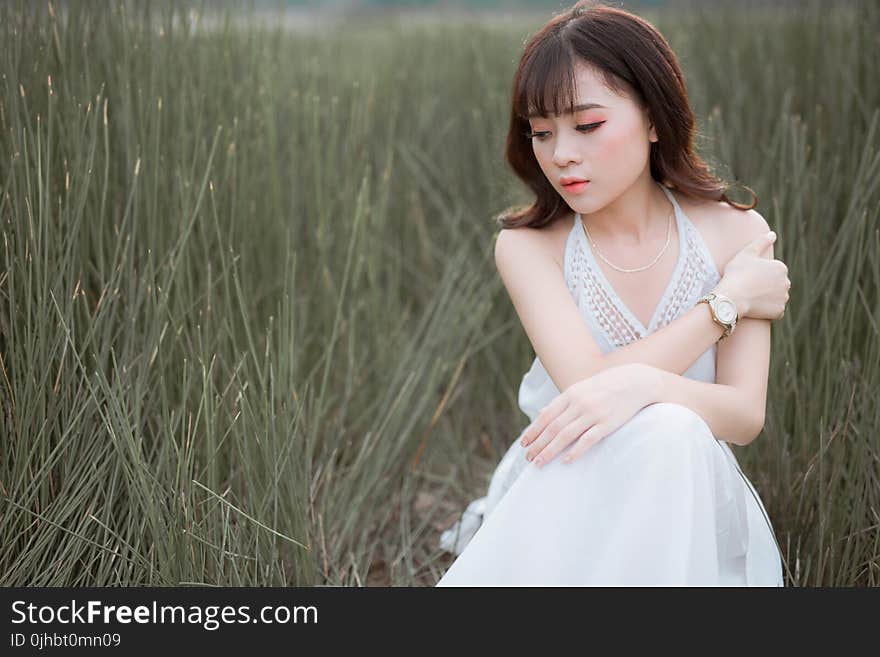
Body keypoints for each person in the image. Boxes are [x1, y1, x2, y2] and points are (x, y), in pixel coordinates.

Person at [436, 0, 791, 586]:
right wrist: (724, 307)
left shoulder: (737, 234)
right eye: (541, 133)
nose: (561, 155)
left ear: (654, 118)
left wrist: (649, 387)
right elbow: (587, 390)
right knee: (666, 424)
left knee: (673, 431)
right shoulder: (531, 247)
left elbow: (744, 416)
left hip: (686, 489)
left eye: (588, 125)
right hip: (567, 477)